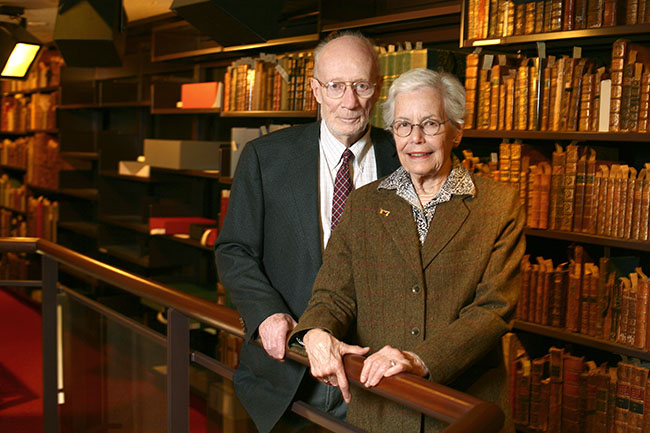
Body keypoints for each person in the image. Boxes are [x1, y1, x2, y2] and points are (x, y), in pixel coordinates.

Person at [289, 68, 525, 433]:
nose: (416, 138)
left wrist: (419, 359)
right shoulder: (364, 204)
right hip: (380, 407)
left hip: (462, 409)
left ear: (456, 131)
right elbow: (333, 293)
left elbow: (493, 311)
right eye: (403, 125)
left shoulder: (497, 205)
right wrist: (316, 331)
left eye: (430, 124)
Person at [214, 31, 400, 433]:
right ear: (316, 90)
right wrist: (266, 314)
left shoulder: (405, 159)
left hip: (376, 375)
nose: (349, 102)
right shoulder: (266, 157)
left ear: (378, 89)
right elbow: (234, 249)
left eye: (361, 86)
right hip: (291, 370)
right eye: (335, 86)